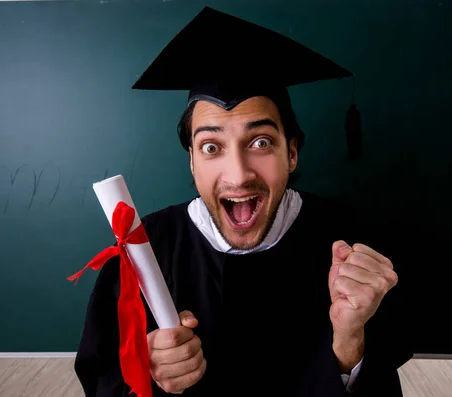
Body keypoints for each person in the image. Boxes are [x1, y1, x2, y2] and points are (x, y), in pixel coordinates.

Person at [72, 6, 413, 397]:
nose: (238, 174)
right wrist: (144, 375)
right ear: (192, 162)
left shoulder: (352, 243)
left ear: (292, 153)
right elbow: (101, 378)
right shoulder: (145, 248)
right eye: (212, 146)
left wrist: (350, 341)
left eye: (261, 142)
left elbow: (388, 363)